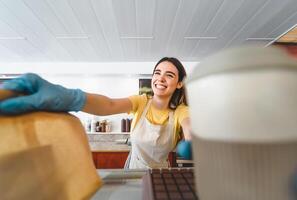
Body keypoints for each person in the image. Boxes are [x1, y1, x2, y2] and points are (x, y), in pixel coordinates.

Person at [0, 57, 192, 169]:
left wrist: (192, 140)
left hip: (160, 174)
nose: (160, 78)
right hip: (132, 171)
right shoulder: (140, 102)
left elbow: (189, 124)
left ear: (179, 83)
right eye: (157, 72)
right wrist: (72, 97)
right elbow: (107, 105)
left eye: (169, 75)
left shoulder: (181, 112)